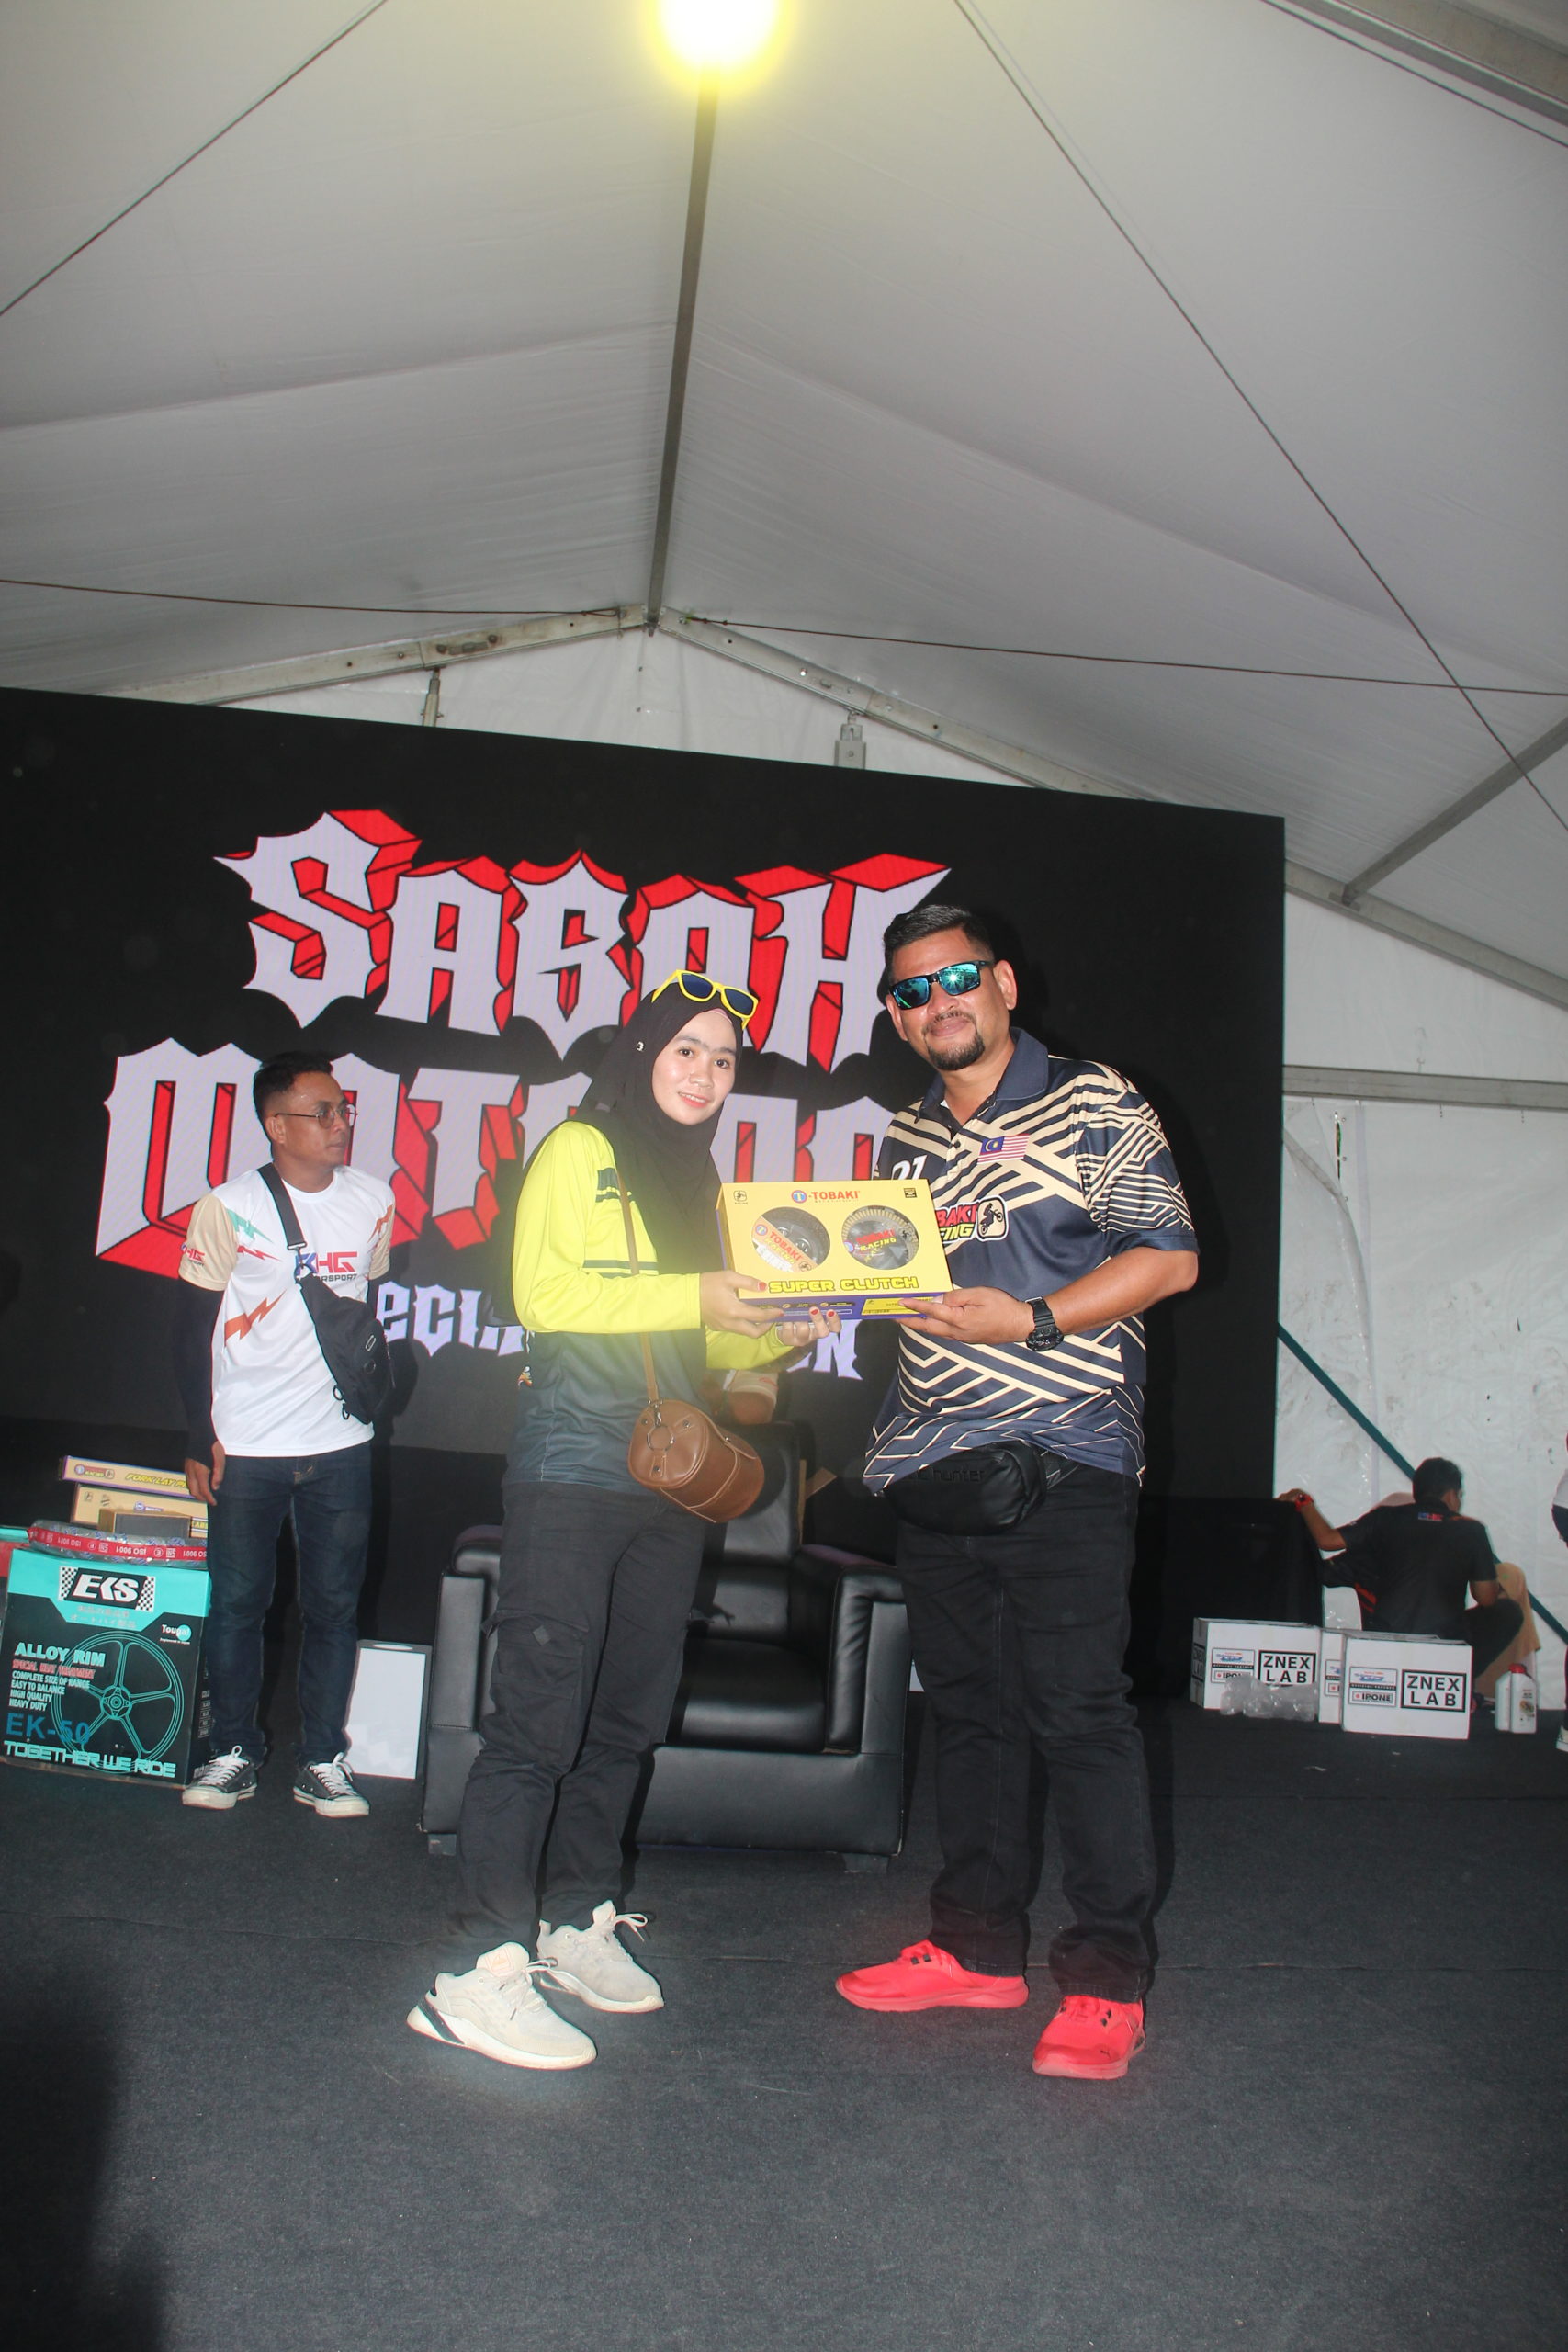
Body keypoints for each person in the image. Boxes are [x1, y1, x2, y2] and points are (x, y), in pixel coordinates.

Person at [408, 973, 833, 2073]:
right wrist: (699, 1294)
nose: (705, 1073)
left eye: (723, 1059)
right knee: (539, 1713)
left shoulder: (700, 1178)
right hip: (574, 1460)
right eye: (686, 1049)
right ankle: (474, 1968)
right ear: (642, 1052)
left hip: (669, 1473)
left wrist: (781, 1329)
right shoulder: (579, 1147)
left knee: (629, 1711)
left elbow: (703, 1343)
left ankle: (573, 1918)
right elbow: (546, 1296)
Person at [834, 905, 1199, 2082]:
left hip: (1067, 1451)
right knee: (971, 1711)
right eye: (909, 992)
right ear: (897, 1019)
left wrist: (1032, 1319)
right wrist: (820, 1295)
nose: (935, 1003)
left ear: (1002, 985)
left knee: (1078, 1712)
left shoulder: (1097, 1100)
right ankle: (976, 1946)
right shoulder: (903, 1135)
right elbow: (893, 1278)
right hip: (933, 1460)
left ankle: (1104, 1978)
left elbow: (1171, 1257)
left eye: (954, 979)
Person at [175, 1050, 396, 1816]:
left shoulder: (373, 1199)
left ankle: (322, 1759)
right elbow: (189, 1328)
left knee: (333, 1608)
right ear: (276, 1124)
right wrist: (196, 1432)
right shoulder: (228, 1207)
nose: (340, 1124)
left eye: (343, 1110)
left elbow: (363, 1308)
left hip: (340, 1444)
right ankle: (231, 1751)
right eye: (322, 1112)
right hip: (246, 1443)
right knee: (238, 1605)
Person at [1281, 1458, 1523, 1678]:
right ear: (1452, 1495)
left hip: (1385, 1642)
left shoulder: (1384, 1518)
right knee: (1508, 1612)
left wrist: (1304, 1501)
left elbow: (1327, 1541)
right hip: (1445, 1646)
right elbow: (1486, 1599)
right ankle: (1462, 1682)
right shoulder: (1471, 1530)